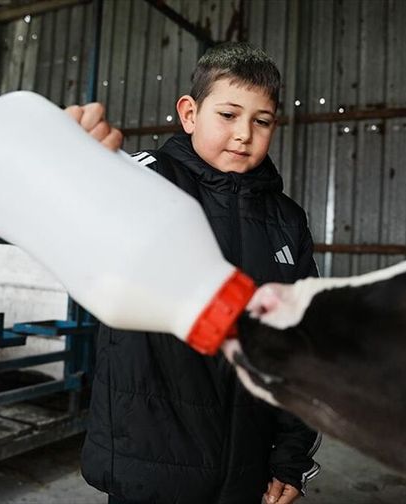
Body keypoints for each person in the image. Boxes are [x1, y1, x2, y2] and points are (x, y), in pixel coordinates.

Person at [65, 42, 320, 504]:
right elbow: (83, 228)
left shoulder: (287, 219)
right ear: (189, 113)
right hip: (150, 469)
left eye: (261, 121)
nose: (244, 134)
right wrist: (74, 169)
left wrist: (291, 458)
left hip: (248, 475)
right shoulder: (145, 181)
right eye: (228, 114)